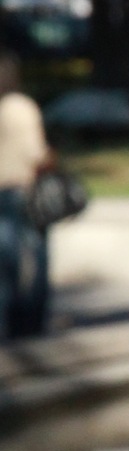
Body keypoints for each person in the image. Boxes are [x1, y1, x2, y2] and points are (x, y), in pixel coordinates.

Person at [0, 52, 54, 337]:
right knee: (37, 255)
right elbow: (36, 153)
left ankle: (7, 318)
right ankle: (32, 320)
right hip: (24, 189)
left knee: (5, 258)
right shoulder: (22, 107)